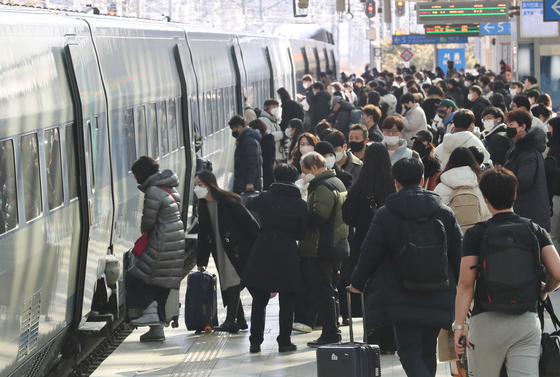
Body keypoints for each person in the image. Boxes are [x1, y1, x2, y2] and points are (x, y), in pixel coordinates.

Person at [350, 158, 462, 377]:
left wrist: (357, 282)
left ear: (396, 182)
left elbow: (370, 252)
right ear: (422, 180)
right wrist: (464, 289)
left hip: (400, 293)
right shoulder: (444, 212)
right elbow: (459, 254)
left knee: (408, 349)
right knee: (427, 349)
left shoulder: (386, 213)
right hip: (439, 290)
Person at [454, 166, 560, 376]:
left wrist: (459, 325)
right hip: (526, 321)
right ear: (515, 194)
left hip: (486, 321)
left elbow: (466, 284)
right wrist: (545, 289)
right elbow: (557, 273)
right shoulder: (534, 230)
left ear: (485, 198)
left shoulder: (476, 234)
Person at [241, 164, 308, 353]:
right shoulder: (300, 204)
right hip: (287, 251)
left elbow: (248, 206)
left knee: (259, 299)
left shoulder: (264, 198)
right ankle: (284, 341)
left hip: (263, 249)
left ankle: (255, 341)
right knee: (287, 300)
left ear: (275, 178)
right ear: (294, 179)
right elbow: (301, 234)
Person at [342, 143, 396, 353]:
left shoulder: (359, 187)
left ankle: (373, 339)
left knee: (370, 294)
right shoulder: (393, 185)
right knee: (390, 293)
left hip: (364, 243)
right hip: (391, 245)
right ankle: (391, 342)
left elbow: (348, 217)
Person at [128, 156, 185, 342]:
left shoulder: (152, 190)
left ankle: (151, 313)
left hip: (162, 241)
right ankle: (157, 330)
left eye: (136, 175)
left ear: (142, 174)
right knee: (161, 283)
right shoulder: (169, 186)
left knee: (136, 277)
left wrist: (144, 229)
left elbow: (148, 222)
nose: (136, 179)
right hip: (175, 240)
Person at [195, 170, 260, 333]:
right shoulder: (203, 206)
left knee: (232, 281)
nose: (197, 188)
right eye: (195, 185)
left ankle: (231, 320)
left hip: (237, 249)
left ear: (210, 185)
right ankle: (241, 320)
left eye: (200, 185)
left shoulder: (228, 201)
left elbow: (249, 223)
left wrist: (258, 247)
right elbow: (202, 236)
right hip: (219, 250)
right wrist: (201, 262)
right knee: (228, 282)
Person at [299, 152, 350, 347]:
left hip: (323, 246)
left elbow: (319, 218)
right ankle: (332, 330)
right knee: (330, 289)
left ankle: (330, 332)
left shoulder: (322, 186)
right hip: (337, 243)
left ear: (313, 168)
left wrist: (303, 212)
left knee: (323, 290)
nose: (304, 176)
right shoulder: (337, 182)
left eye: (305, 172)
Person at [504, 109, 551, 231]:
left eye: (511, 125)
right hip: (525, 211)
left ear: (522, 127)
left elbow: (524, 180)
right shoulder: (517, 149)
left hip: (529, 213)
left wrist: (502, 181)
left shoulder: (527, 152)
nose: (508, 128)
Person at [434, 147, 491, 231]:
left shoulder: (441, 186)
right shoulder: (480, 184)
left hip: (450, 236)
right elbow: (487, 214)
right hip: (476, 234)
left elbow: (435, 213)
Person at [228, 115, 263, 194]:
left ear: (239, 127)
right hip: (244, 180)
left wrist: (250, 182)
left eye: (234, 130)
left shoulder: (248, 141)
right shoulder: (247, 139)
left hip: (247, 183)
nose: (233, 132)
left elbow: (252, 163)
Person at [249, 119, 276, 190]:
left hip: (265, 176)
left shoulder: (265, 143)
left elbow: (266, 162)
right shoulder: (269, 141)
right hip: (267, 175)